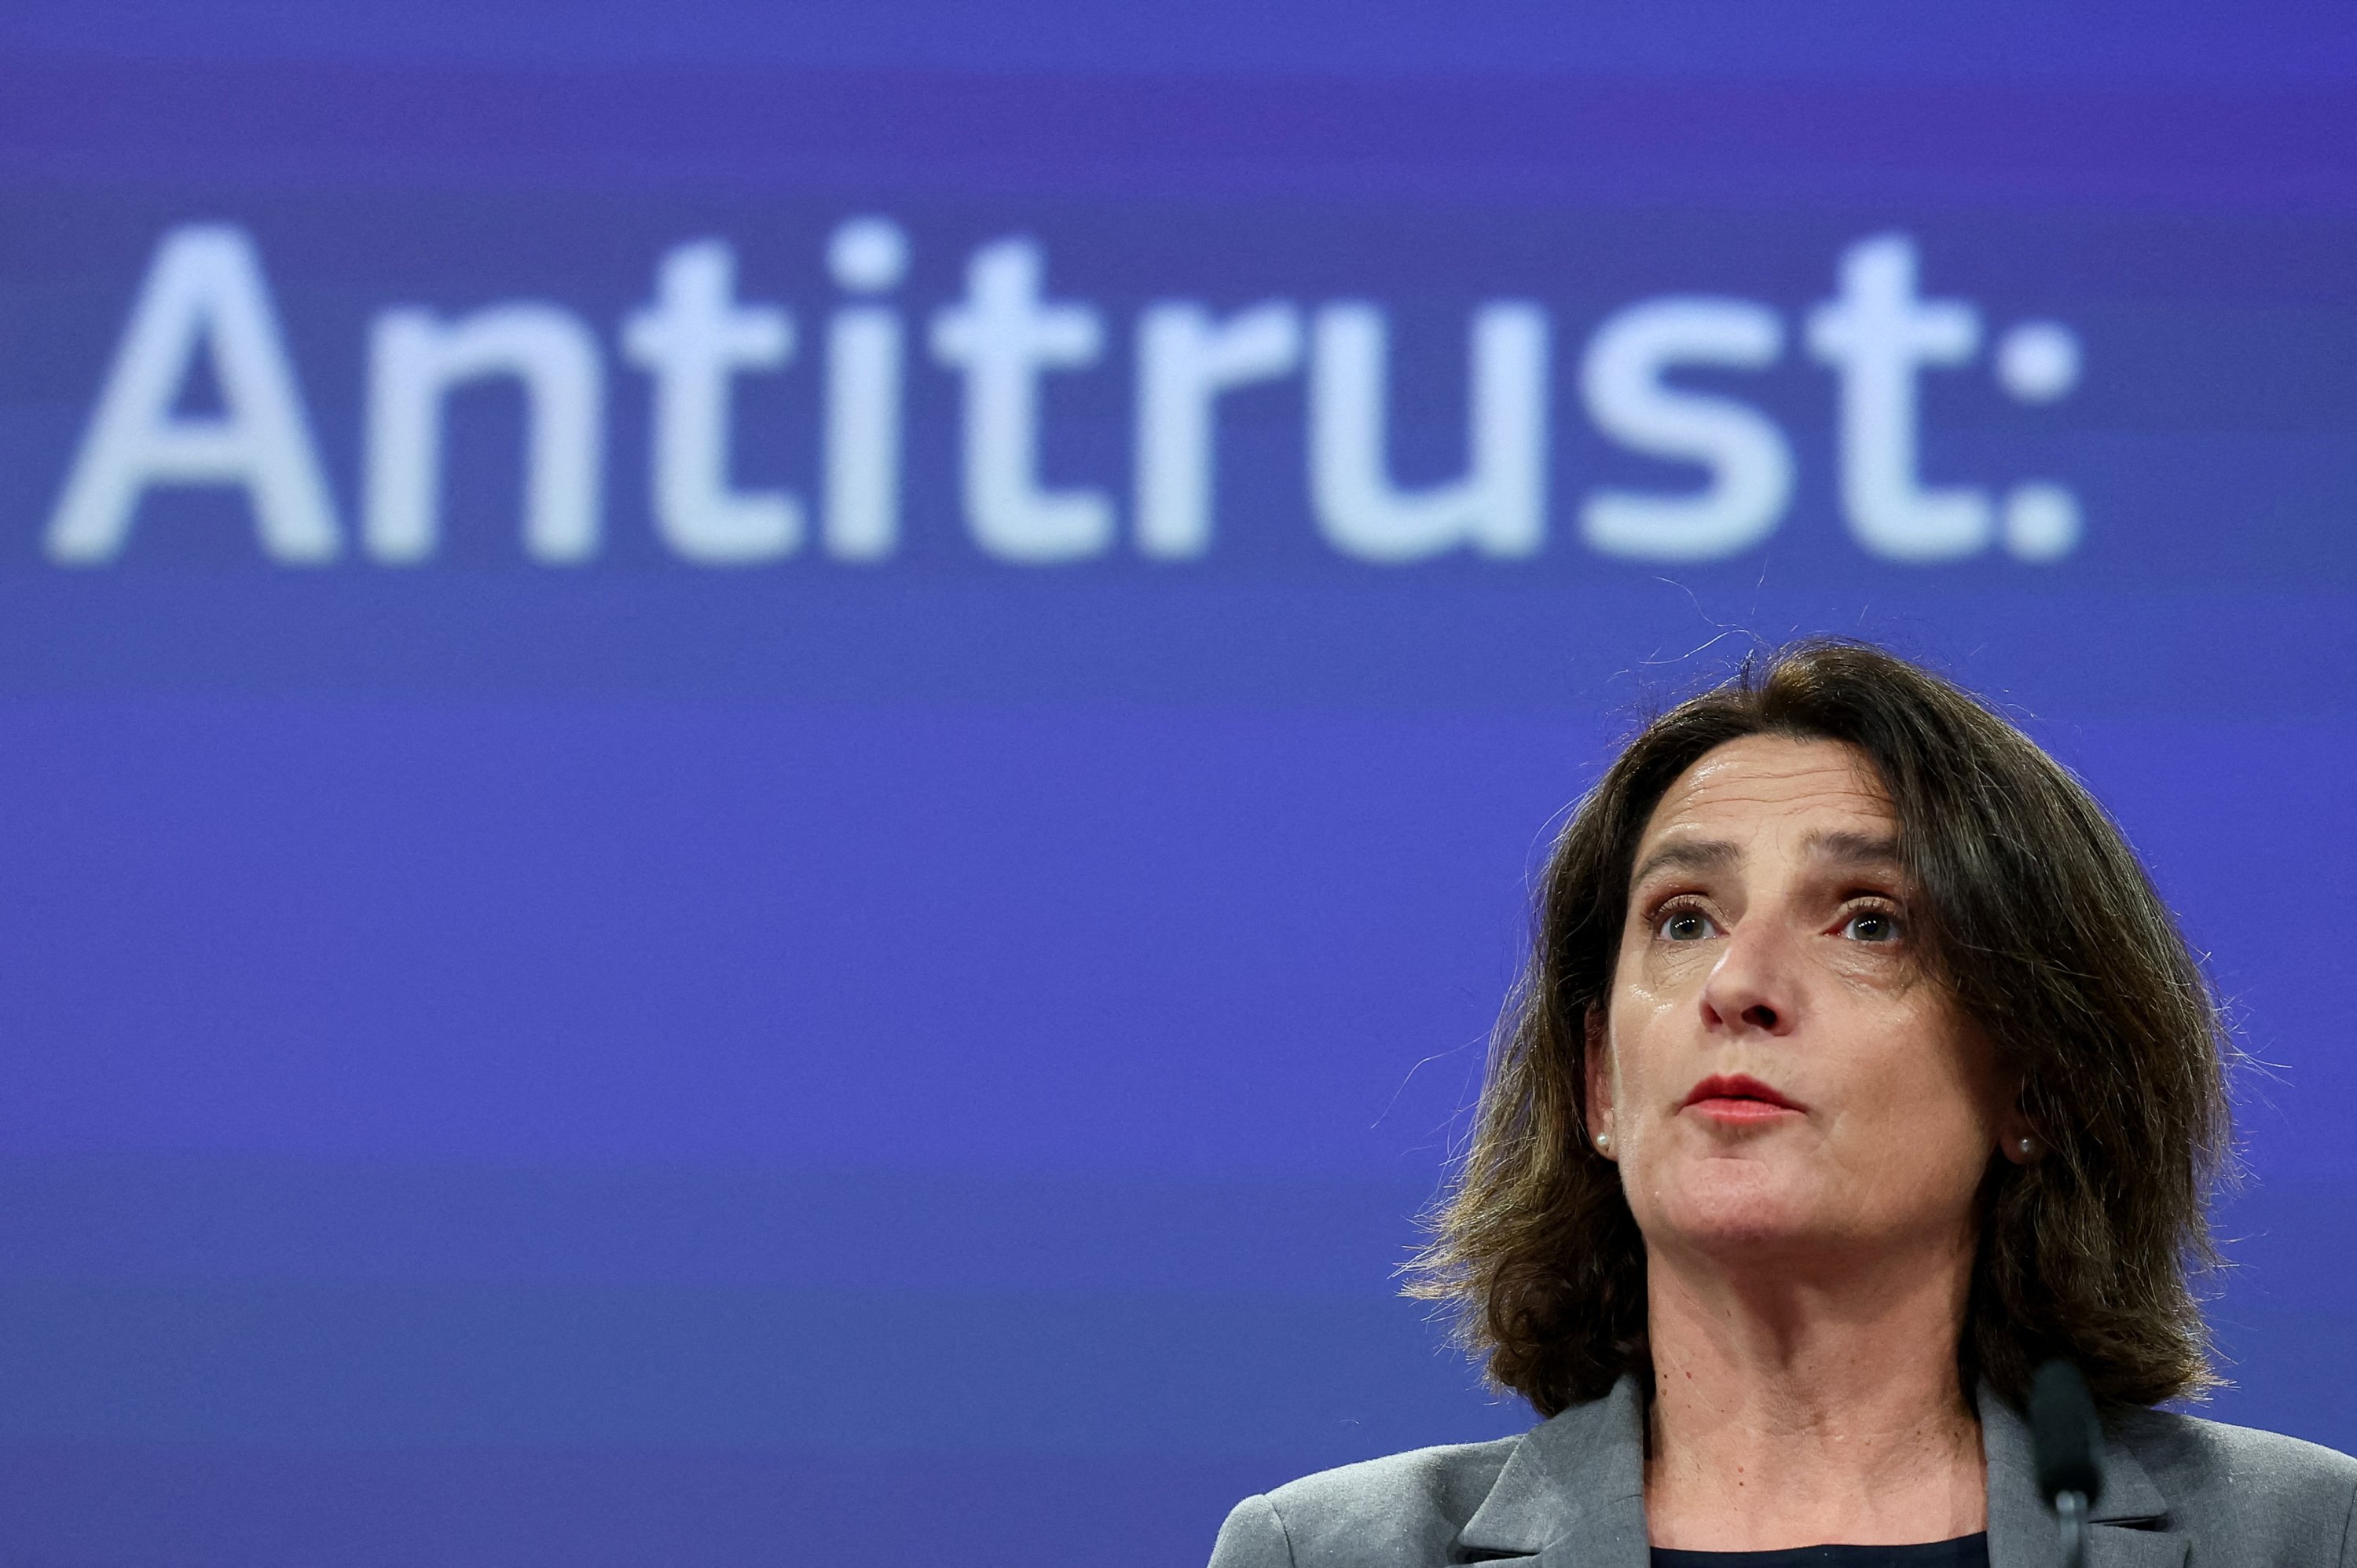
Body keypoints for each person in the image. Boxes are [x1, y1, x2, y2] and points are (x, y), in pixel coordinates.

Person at [1208, 640, 2356, 1567]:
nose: (1738, 987)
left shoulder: (2304, 1536)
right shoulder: (1331, 1553)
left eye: (1868, 920)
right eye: (1684, 918)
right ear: (1600, 1084)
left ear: (2035, 1080)